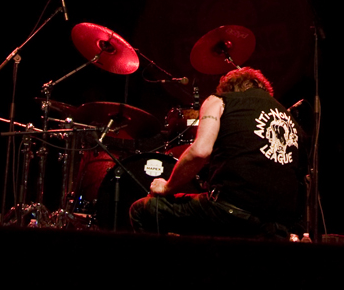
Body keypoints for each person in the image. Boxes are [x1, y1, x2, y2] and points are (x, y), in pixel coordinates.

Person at [129, 67, 300, 237]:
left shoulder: (219, 100)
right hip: (278, 226)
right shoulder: (292, 120)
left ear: (229, 89)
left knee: (141, 210)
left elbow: (200, 151)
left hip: (230, 213)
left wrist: (167, 187)